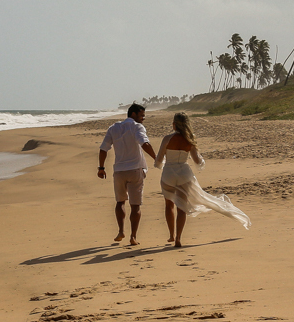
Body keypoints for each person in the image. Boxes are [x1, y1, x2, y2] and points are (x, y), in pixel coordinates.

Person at [154, 112, 250, 247]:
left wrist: (163, 164)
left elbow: (159, 160)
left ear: (174, 124)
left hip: (169, 173)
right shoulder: (189, 140)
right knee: (181, 207)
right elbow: (198, 162)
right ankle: (178, 238)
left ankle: (171, 235)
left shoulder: (167, 139)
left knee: (169, 204)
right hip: (184, 174)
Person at [98, 104, 157, 246]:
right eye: (141, 115)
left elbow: (103, 149)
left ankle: (120, 231)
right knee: (135, 205)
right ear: (133, 114)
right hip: (135, 169)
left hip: (119, 171)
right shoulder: (137, 127)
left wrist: (101, 167)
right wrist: (157, 158)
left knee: (120, 202)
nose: (143, 118)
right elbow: (144, 143)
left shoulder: (113, 128)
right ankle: (133, 236)